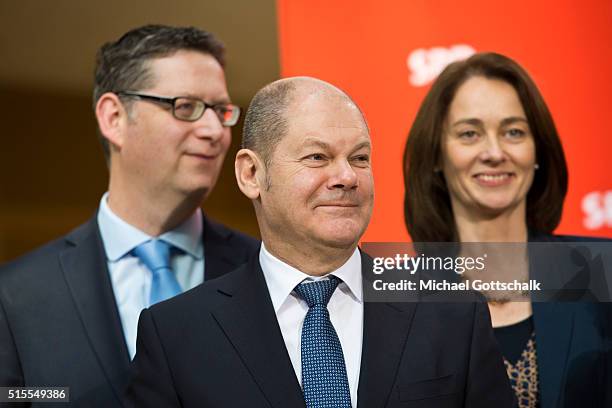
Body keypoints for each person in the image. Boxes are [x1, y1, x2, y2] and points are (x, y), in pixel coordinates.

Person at [124, 76, 515, 408]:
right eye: (317, 157)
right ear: (251, 174)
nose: (347, 176)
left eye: (360, 158)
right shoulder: (177, 334)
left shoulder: (452, 312)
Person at [0, 24, 258, 406]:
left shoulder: (264, 271)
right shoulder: (17, 295)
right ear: (114, 118)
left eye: (221, 111)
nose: (214, 131)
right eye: (185, 107)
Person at [403, 52, 611, 407]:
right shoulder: (398, 302)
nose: (495, 152)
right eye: (469, 134)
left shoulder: (601, 271)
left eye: (513, 131)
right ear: (437, 155)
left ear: (537, 151)